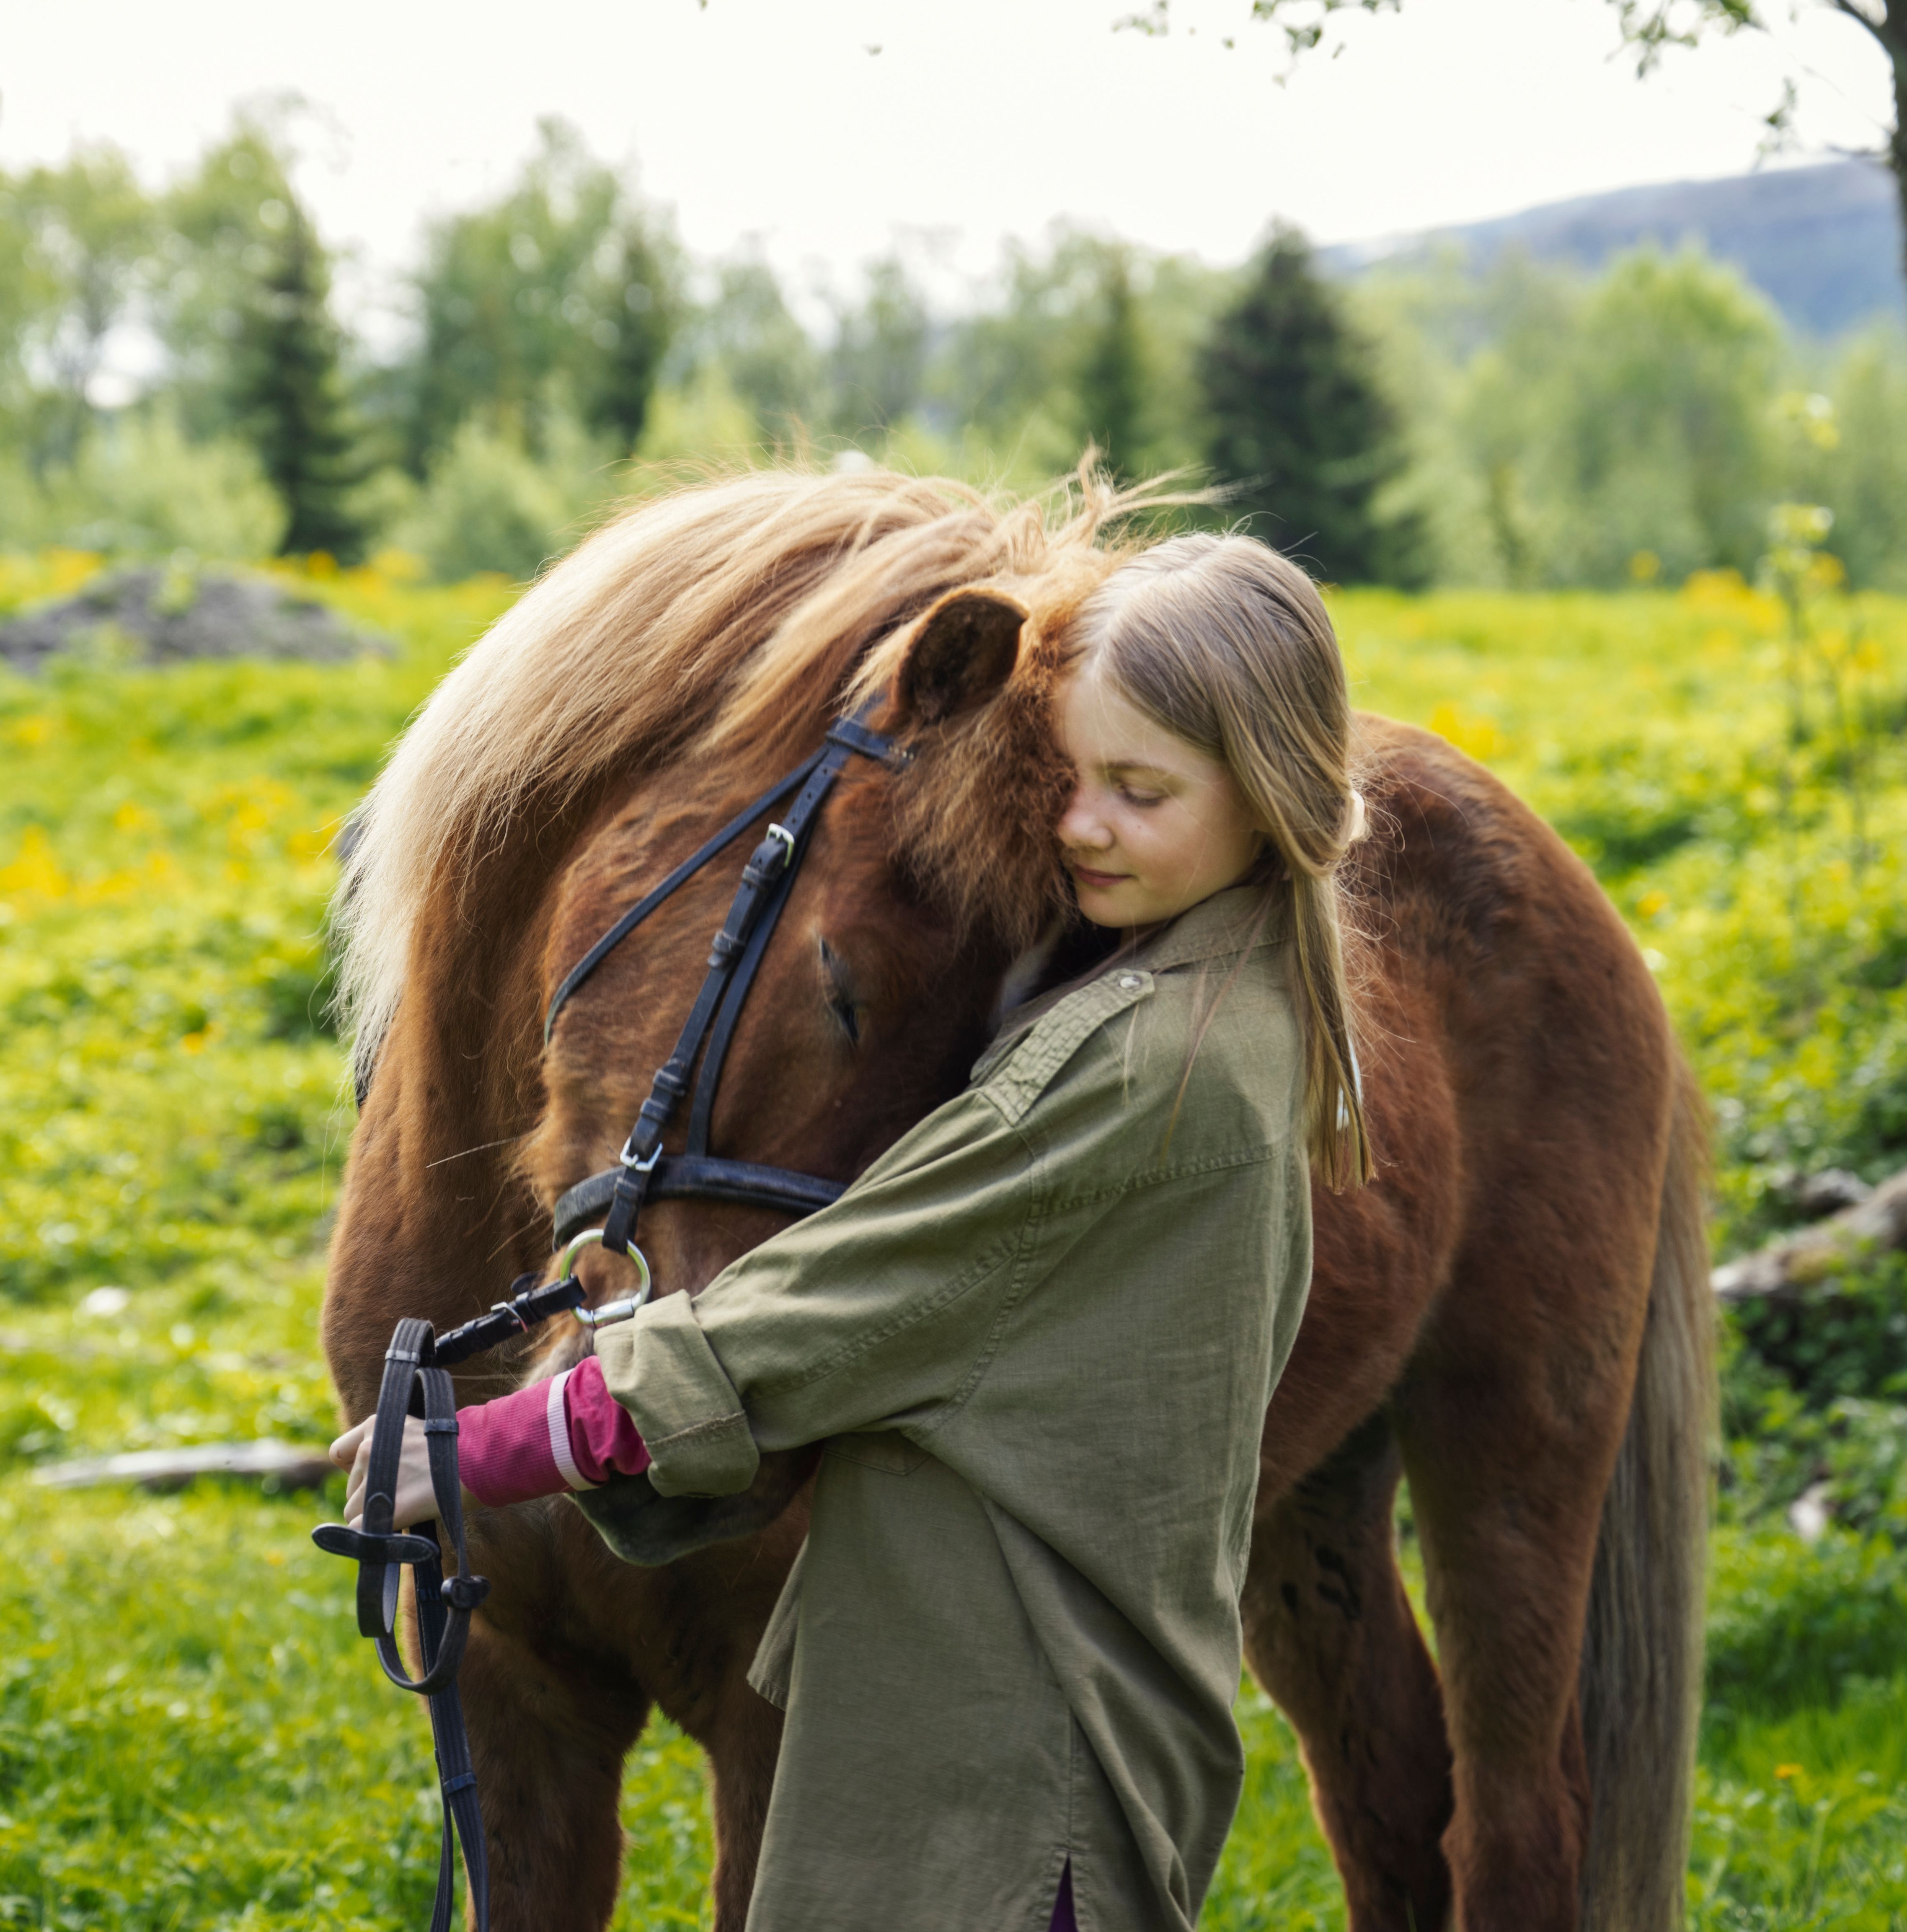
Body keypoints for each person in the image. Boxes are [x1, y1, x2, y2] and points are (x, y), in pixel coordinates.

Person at [334, 533, 1371, 1932]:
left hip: (1005, 1783)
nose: (1080, 828)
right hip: (1020, 1740)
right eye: (1071, 781)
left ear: (1275, 802)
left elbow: (835, 1311)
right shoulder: (1227, 999)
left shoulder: (1146, 1072)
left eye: (1142, 792)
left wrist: (491, 1444)